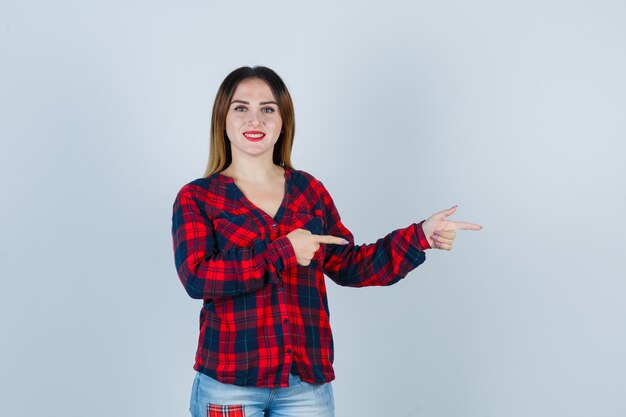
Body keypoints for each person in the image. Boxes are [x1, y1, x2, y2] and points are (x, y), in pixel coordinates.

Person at [171, 65, 482, 417]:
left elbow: (351, 265)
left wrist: (419, 236)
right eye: (241, 108)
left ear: (283, 120)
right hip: (229, 386)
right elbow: (197, 277)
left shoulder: (309, 191)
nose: (254, 120)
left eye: (267, 109)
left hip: (306, 387)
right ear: (223, 119)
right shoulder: (198, 197)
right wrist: (284, 250)